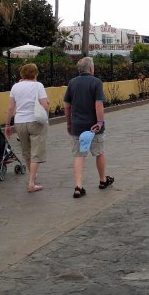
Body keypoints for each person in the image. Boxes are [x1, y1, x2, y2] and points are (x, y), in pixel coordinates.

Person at [64, 56, 114, 199]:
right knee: (99, 152)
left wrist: (69, 123)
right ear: (91, 69)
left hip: (77, 126)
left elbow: (67, 106)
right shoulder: (96, 82)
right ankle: (103, 180)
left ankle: (78, 187)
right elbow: (98, 104)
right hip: (94, 126)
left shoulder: (72, 83)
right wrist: (100, 122)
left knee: (79, 155)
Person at [4, 63, 49, 192]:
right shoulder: (38, 86)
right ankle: (31, 183)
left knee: (26, 151)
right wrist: (46, 115)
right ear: (35, 73)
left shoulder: (15, 87)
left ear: (22, 74)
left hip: (20, 122)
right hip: (35, 121)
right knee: (36, 152)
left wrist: (7, 124)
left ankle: (32, 175)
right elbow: (44, 104)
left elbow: (11, 108)